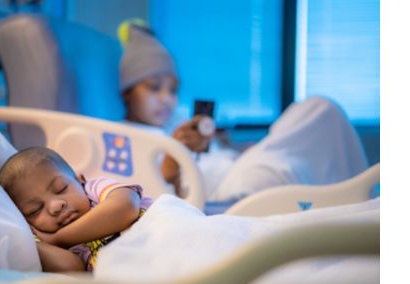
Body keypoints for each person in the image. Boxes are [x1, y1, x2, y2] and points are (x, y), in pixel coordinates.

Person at [117, 19, 369, 202]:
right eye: (154, 88)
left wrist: (225, 146)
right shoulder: (122, 137)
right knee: (320, 110)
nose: (166, 100)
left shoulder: (177, 123)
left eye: (173, 90)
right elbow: (150, 193)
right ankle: (365, 198)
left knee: (322, 112)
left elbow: (217, 158)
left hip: (238, 169)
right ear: (128, 92)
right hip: (225, 190)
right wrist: (175, 156)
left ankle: (362, 198)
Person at [0, 146, 153, 272]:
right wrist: (33, 242)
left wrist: (59, 238)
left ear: (80, 180)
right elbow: (71, 268)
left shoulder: (94, 190)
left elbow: (125, 208)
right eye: (35, 210)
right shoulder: (40, 239)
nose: (56, 206)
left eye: (61, 188)